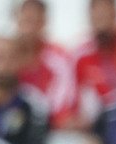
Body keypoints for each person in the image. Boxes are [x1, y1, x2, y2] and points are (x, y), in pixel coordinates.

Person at [16, 0, 77, 128]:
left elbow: (62, 102)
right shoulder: (7, 53)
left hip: (48, 125)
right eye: (26, 21)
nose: (29, 29)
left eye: (34, 22)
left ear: (44, 23)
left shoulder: (58, 57)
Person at [72, 0, 116, 128]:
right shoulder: (81, 55)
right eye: (98, 18)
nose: (102, 25)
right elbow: (78, 103)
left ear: (114, 15)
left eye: (105, 16)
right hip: (99, 125)